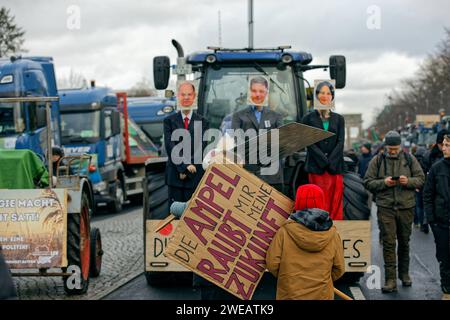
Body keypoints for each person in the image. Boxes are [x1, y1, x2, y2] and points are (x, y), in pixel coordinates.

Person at [364, 130, 425, 293]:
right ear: (385, 147)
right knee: (389, 243)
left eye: (395, 148)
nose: (392, 151)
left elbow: (420, 179)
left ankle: (404, 274)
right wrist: (384, 182)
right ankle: (390, 279)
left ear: (400, 147)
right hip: (386, 207)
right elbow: (368, 182)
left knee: (404, 242)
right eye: (390, 149)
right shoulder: (377, 160)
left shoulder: (409, 159)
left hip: (406, 207)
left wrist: (408, 181)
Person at [266, 184, 345, 300]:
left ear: (298, 202)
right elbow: (339, 268)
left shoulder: (284, 231)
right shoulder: (332, 234)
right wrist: (322, 280)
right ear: (321, 203)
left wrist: (288, 279)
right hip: (322, 295)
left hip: (290, 295)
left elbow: (272, 263)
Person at [231, 76, 283, 189]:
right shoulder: (238, 116)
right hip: (248, 172)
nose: (258, 95)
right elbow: (238, 141)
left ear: (266, 93)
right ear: (249, 93)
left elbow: (281, 140)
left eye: (261, 91)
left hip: (272, 174)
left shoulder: (276, 116)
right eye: (254, 91)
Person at [164, 81, 209, 206]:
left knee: (194, 214)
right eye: (183, 94)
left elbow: (201, 146)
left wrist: (189, 168)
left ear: (194, 97)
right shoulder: (169, 121)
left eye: (189, 94)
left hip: (195, 176)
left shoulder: (203, 122)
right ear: (178, 96)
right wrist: (183, 167)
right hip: (175, 176)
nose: (186, 97)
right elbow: (170, 145)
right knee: (174, 214)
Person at [301, 107, 345, 220]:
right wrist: (324, 160)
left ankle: (334, 228)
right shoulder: (307, 119)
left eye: (328, 93)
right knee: (317, 200)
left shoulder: (339, 119)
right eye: (321, 93)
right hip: (316, 166)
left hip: (334, 167)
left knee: (335, 201)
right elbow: (309, 142)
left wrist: (331, 160)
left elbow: (340, 142)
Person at [423, 134, 450, 300]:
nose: (444, 148)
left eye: (448, 145)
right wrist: (431, 220)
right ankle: (447, 290)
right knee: (445, 257)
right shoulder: (437, 168)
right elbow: (428, 194)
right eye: (444, 145)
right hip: (441, 222)